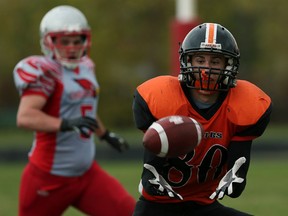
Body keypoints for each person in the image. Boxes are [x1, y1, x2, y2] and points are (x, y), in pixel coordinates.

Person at [132, 23, 272, 216]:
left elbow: (238, 169)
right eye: (200, 60)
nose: (207, 69)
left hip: (204, 206)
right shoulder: (162, 97)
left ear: (228, 65)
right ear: (187, 61)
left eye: (215, 61)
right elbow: (151, 170)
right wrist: (151, 175)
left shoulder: (245, 103)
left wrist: (237, 177)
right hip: (157, 208)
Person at [13, 5, 135, 216]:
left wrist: (105, 134)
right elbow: (25, 117)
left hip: (86, 175)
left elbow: (84, 112)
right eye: (64, 41)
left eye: (76, 41)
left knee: (130, 212)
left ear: (85, 40)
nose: (71, 47)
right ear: (49, 42)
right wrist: (66, 124)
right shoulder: (47, 72)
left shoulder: (87, 66)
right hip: (48, 179)